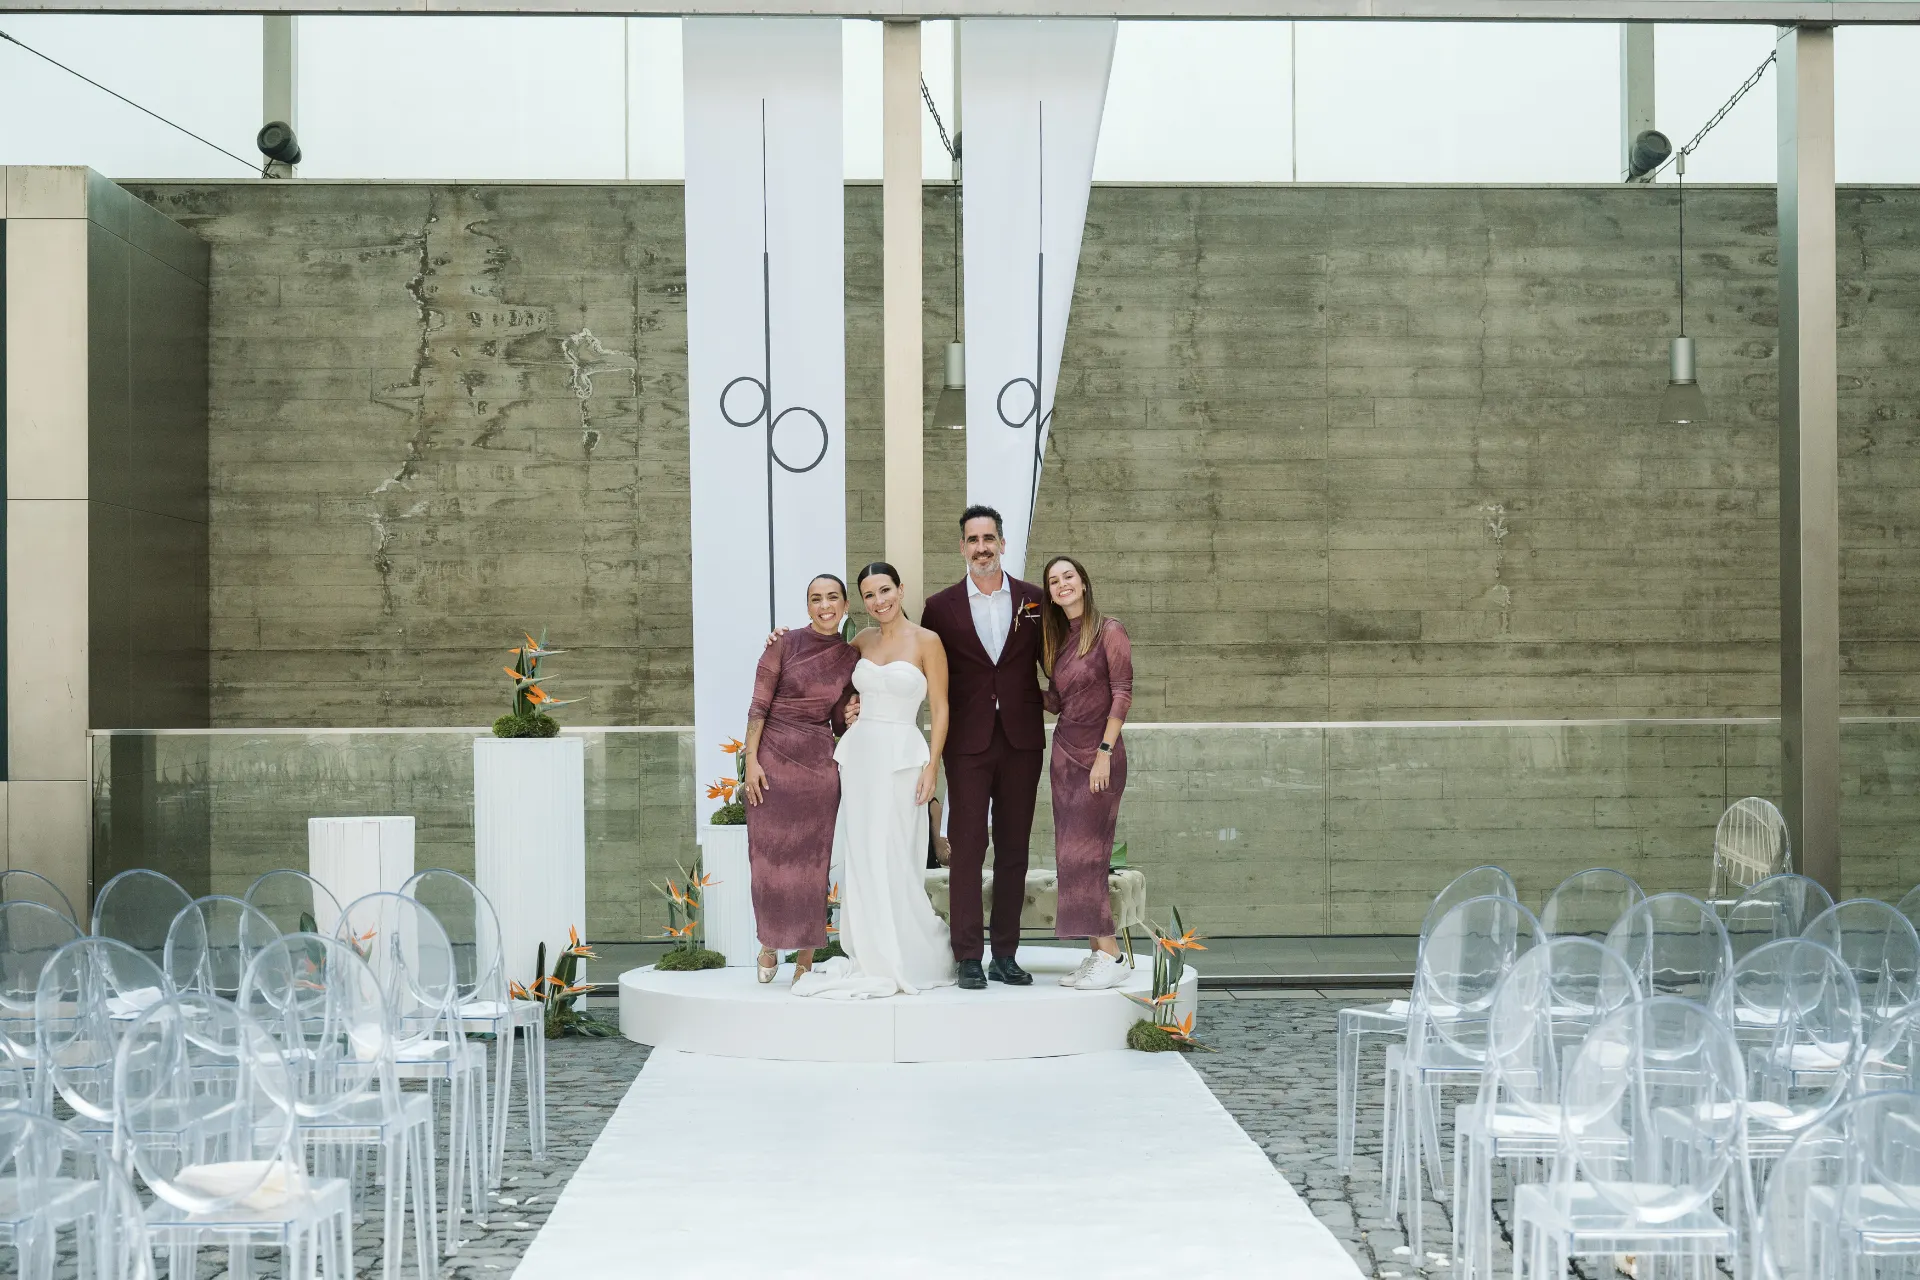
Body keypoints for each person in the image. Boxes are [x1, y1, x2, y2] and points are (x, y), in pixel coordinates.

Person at [792, 563, 957, 999]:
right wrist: (847, 709)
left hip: (903, 758)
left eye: (885, 590)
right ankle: (869, 952)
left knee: (897, 857)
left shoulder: (928, 642)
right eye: (869, 595)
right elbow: (831, 684)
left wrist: (932, 766)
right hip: (860, 759)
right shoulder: (859, 641)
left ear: (901, 590)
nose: (878, 600)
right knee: (862, 855)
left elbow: (941, 709)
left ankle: (904, 952)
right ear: (860, 602)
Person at [920, 505, 1047, 991]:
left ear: (1002, 543)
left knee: (1014, 850)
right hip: (967, 743)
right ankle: (969, 955)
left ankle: (1006, 954)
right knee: (969, 849)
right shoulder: (941, 606)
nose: (981, 547)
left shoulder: (1033, 600)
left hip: (1022, 741)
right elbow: (923, 666)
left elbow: (1055, 656)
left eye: (989, 538)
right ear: (962, 547)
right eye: (972, 539)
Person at [742, 575, 861, 984]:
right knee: (767, 861)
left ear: (846, 605)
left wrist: (851, 716)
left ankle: (806, 960)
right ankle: (769, 942)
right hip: (771, 763)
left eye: (832, 598)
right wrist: (751, 761)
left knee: (814, 865)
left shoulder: (849, 657)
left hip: (818, 769)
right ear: (807, 605)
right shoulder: (784, 643)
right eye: (816, 599)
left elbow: (838, 721)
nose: (824, 605)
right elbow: (758, 704)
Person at [1038, 555, 1134, 991]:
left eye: (1068, 577)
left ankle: (1111, 953)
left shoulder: (1109, 630)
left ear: (1083, 581)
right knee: (1071, 858)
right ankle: (1097, 953)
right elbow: (1058, 701)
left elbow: (1122, 692)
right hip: (1063, 756)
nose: (1062, 586)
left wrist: (1105, 751)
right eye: (1054, 582)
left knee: (1091, 855)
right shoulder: (1056, 641)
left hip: (1100, 756)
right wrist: (1012, 688)